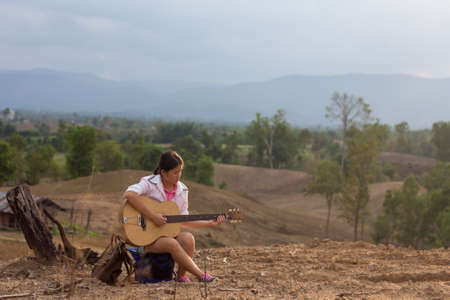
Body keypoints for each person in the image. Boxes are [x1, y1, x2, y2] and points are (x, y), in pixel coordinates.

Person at [123, 150, 224, 283]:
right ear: (163, 172)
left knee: (188, 238)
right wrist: (152, 216)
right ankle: (201, 275)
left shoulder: (183, 190)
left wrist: (209, 223)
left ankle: (181, 276)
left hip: (164, 234)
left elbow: (183, 220)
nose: (179, 175)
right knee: (172, 243)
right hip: (144, 237)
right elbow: (129, 194)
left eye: (180, 171)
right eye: (175, 172)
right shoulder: (149, 183)